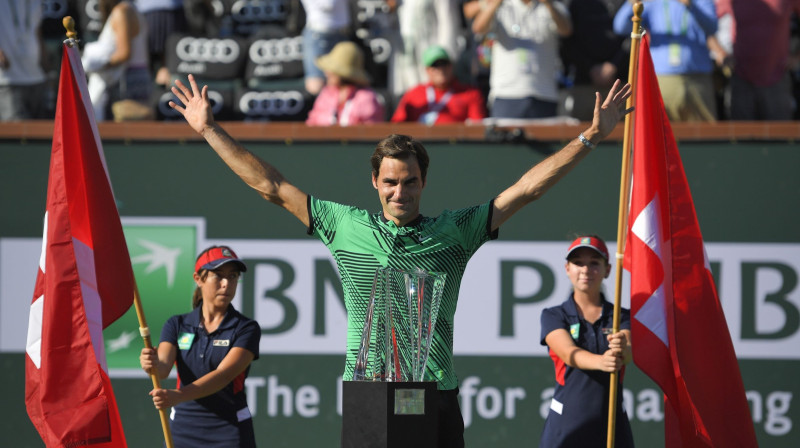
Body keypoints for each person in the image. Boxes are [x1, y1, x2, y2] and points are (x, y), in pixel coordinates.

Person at [167, 70, 632, 446]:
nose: (399, 192)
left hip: (437, 392)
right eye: (390, 182)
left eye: (409, 181)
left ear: (423, 181)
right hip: (370, 390)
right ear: (375, 183)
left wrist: (590, 137)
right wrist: (209, 128)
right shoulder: (342, 225)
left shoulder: (456, 230)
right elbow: (269, 185)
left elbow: (528, 189)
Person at [139, 246, 260, 448]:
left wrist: (178, 396)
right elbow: (162, 368)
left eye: (233, 276)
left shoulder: (246, 328)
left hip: (230, 431)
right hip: (183, 430)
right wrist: (150, 363)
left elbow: (223, 376)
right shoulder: (176, 324)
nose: (226, 284)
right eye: (218, 276)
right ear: (199, 279)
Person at [540, 235, 634, 447]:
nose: (585, 269)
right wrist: (602, 362)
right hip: (566, 424)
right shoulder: (554, 315)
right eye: (578, 262)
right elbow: (567, 353)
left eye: (594, 263)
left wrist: (621, 348)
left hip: (612, 423)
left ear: (607, 269)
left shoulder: (621, 316)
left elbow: (628, 352)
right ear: (567, 268)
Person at [614, 0, 718, 122]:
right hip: (662, 79)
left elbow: (712, 28)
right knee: (661, 134)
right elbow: (621, 27)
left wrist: (691, 6)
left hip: (697, 80)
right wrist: (632, 4)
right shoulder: (653, 2)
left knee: (703, 134)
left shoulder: (701, 2)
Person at [472, 0, 573, 119]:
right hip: (506, 94)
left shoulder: (553, 5)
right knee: (503, 138)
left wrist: (548, 4)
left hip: (544, 94)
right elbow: (478, 28)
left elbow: (566, 30)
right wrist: (495, 3)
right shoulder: (502, 6)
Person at [714, 0, 800, 120]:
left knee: (780, 136)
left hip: (777, 81)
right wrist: (720, 53)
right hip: (741, 81)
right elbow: (705, 16)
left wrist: (797, 57)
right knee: (740, 136)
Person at [82, 0, 151, 121]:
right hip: (137, 76)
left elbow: (124, 54)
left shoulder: (122, 11)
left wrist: (95, 65)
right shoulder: (133, 8)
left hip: (127, 81)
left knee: (124, 135)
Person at [559, 0, 628, 121]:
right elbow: (566, 40)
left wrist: (614, 65)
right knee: (582, 136)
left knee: (624, 136)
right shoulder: (572, 3)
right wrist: (589, 67)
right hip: (583, 85)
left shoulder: (627, 2)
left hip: (621, 86)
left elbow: (635, 33)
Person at [391, 44, 487, 124]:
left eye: (444, 64)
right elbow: (397, 125)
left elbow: (477, 129)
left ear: (451, 66)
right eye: (435, 65)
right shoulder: (413, 94)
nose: (441, 70)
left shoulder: (470, 93)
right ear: (427, 70)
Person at [305, 41, 385, 126]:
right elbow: (312, 124)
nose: (327, 73)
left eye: (332, 70)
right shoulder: (326, 95)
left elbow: (371, 133)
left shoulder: (366, 98)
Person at [0, 0, 48, 121]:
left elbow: (37, 30)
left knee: (39, 132)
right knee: (17, 134)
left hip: (37, 77)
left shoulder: (36, 3)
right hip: (9, 80)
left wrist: (44, 60)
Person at [298, 0, 353, 95]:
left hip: (342, 33)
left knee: (346, 83)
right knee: (316, 85)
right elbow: (329, 4)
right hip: (319, 36)